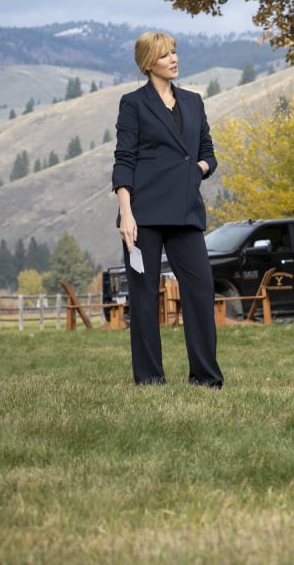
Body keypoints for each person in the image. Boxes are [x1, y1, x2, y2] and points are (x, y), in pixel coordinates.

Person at [112, 31, 224, 388]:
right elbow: (124, 160)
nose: (174, 59)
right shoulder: (133, 103)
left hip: (186, 212)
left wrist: (197, 171)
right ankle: (149, 379)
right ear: (148, 63)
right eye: (165, 55)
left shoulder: (193, 102)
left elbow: (208, 153)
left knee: (201, 290)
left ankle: (206, 378)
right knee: (144, 298)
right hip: (142, 215)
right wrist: (126, 214)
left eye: (175, 52)